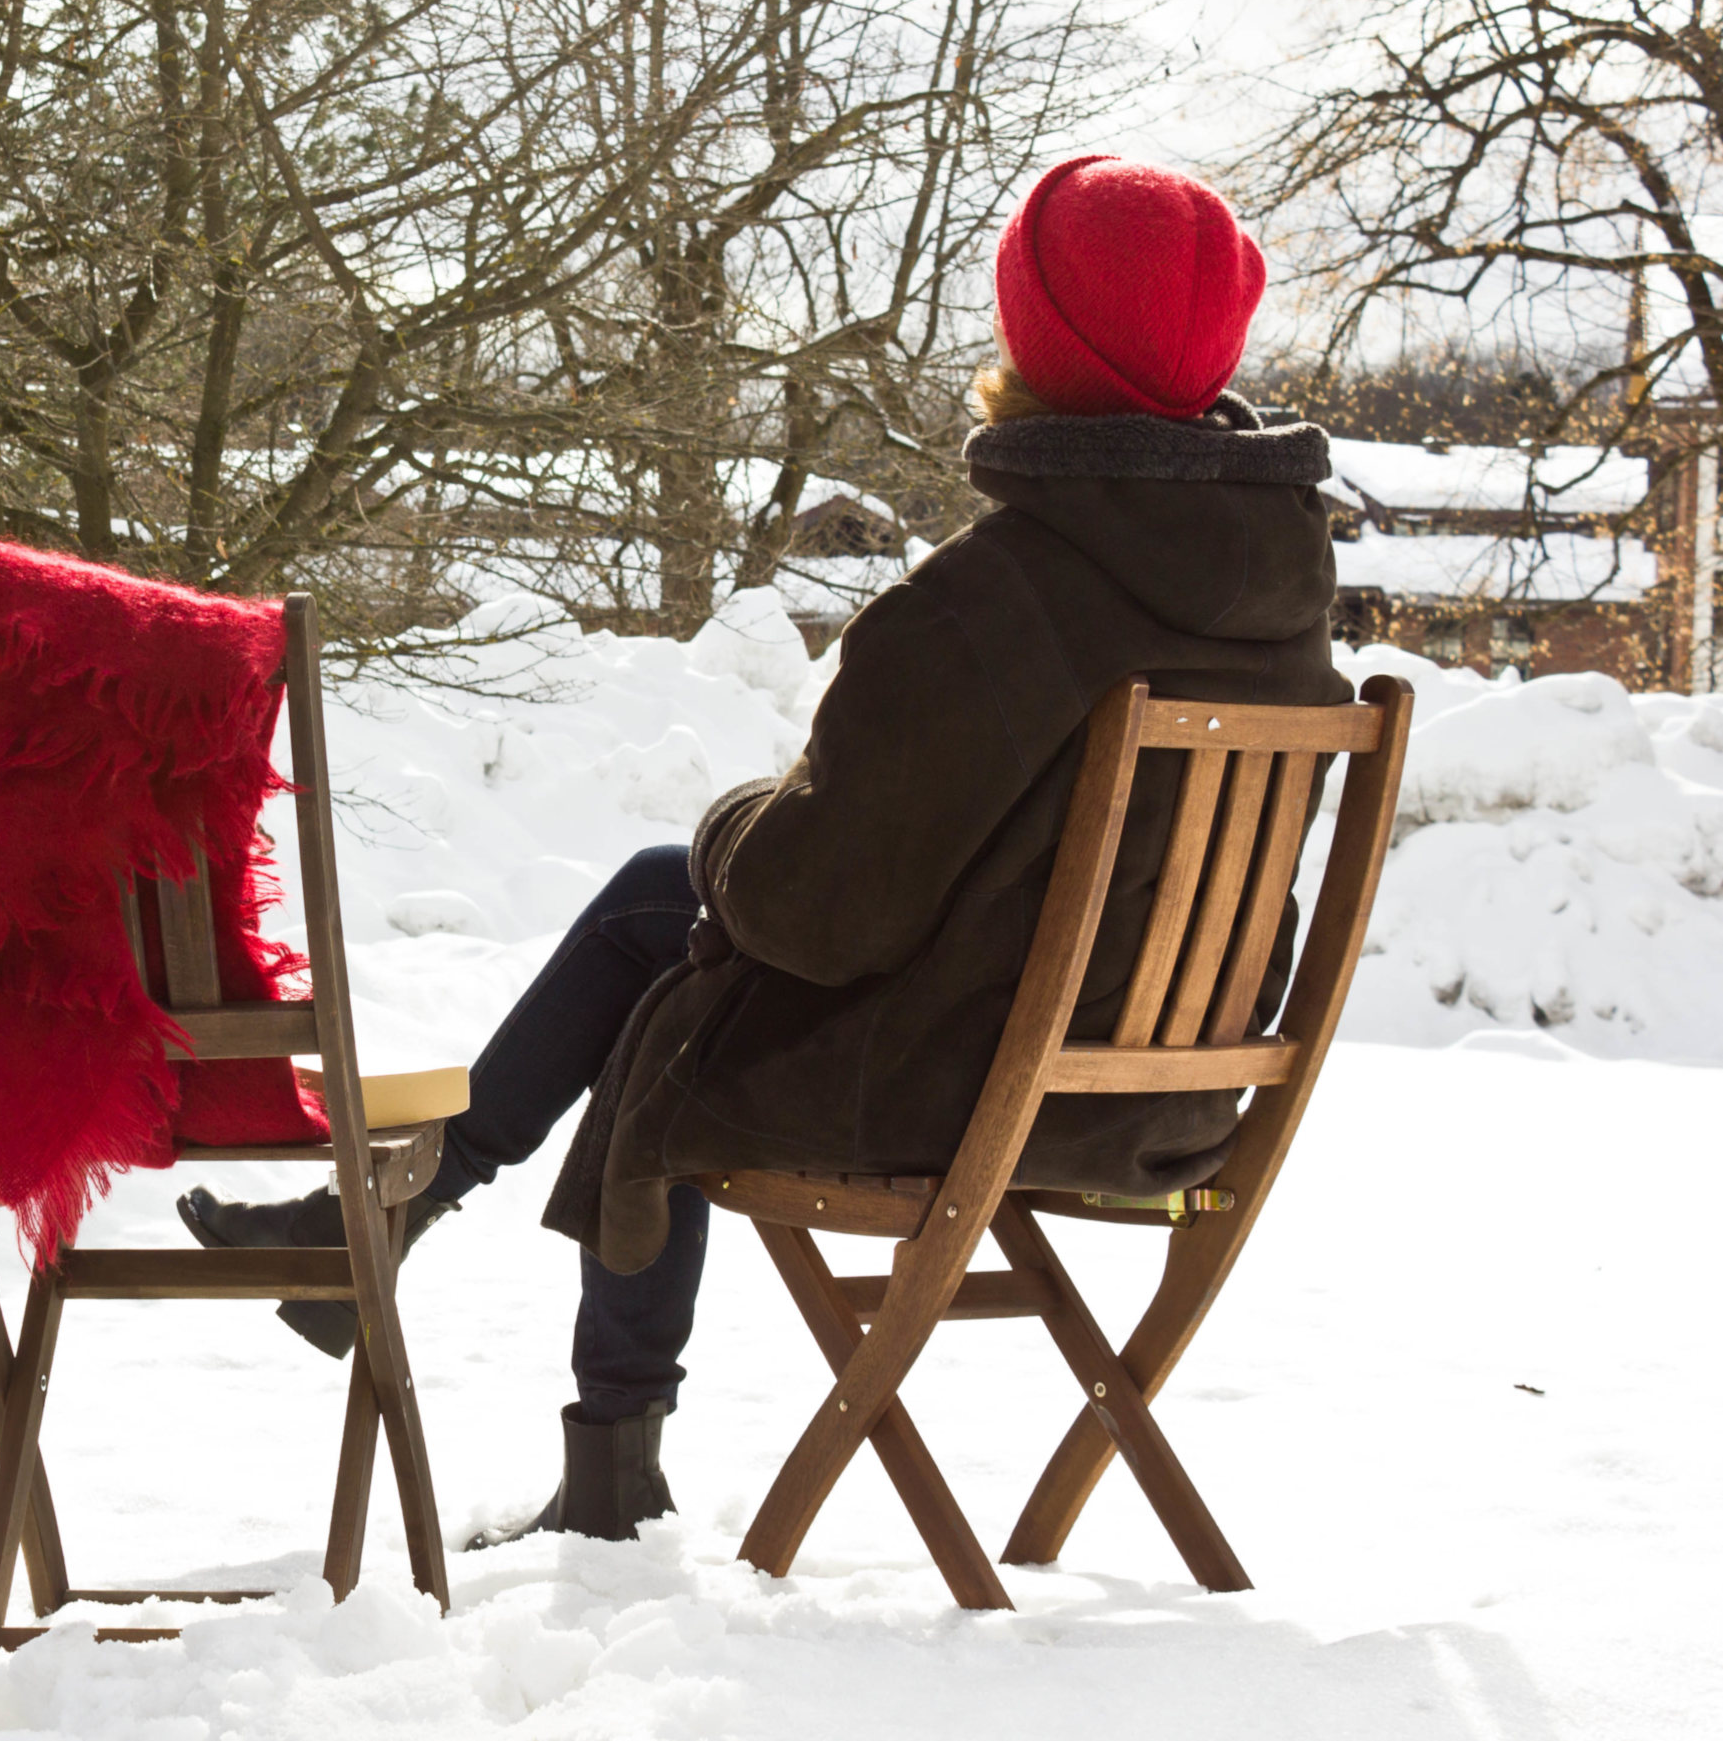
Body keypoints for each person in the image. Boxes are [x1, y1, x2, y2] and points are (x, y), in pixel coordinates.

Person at [179, 154, 1350, 1544]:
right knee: (668, 941)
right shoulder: (1285, 597)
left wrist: (734, 819)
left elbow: (818, 915)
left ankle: (456, 1295)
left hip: (967, 1087)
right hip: (1163, 1096)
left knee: (672, 958)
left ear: (1040, 339)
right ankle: (422, 1276)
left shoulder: (999, 595)